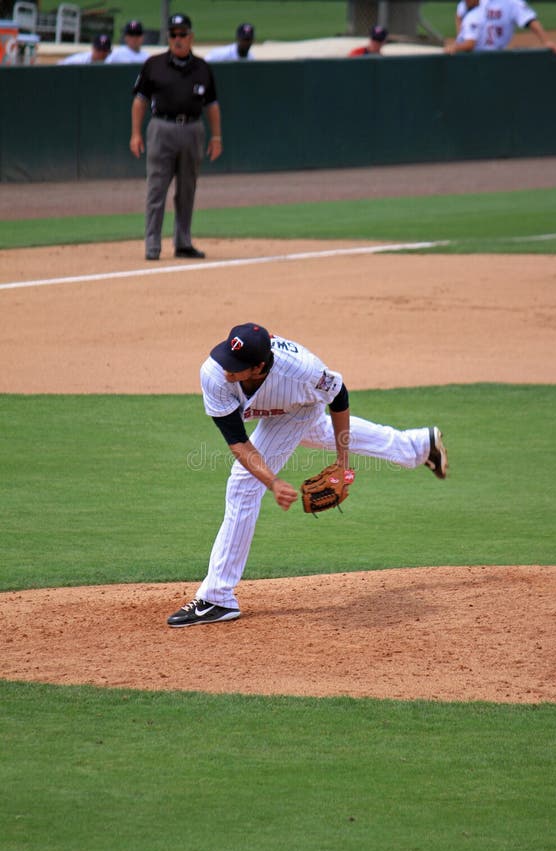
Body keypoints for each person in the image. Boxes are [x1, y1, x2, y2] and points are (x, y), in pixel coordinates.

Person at [167, 322, 448, 626]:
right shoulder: (214, 373)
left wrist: (342, 463)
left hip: (300, 405)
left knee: (244, 484)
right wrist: (273, 481)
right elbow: (238, 442)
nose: (226, 370)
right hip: (284, 404)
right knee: (306, 438)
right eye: (227, 359)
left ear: (258, 367)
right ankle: (418, 446)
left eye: (236, 367)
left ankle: (217, 597)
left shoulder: (303, 372)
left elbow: (339, 395)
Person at [129, 12, 223, 261]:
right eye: (173, 35)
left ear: (191, 37)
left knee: (187, 190)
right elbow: (140, 101)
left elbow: (212, 105)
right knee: (156, 188)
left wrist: (216, 137)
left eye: (182, 34)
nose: (178, 39)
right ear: (168, 38)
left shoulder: (202, 68)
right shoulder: (154, 64)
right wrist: (135, 133)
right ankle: (152, 245)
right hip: (162, 127)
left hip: (193, 128)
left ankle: (183, 242)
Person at [447, 0, 556, 53]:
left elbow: (531, 21)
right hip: (470, 54)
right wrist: (460, 38)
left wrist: (546, 41)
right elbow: (459, 13)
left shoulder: (513, 3)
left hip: (496, 56)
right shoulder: (476, 2)